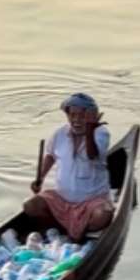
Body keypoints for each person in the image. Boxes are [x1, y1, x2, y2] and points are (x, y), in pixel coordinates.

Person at [24, 93, 114, 241]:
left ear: (91, 117)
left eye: (82, 116)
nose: (77, 120)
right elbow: (51, 156)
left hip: (92, 202)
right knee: (30, 206)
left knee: (103, 215)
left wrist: (90, 131)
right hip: (62, 201)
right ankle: (60, 228)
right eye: (72, 115)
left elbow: (92, 155)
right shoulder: (60, 133)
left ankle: (77, 231)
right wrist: (40, 178)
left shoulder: (101, 133)